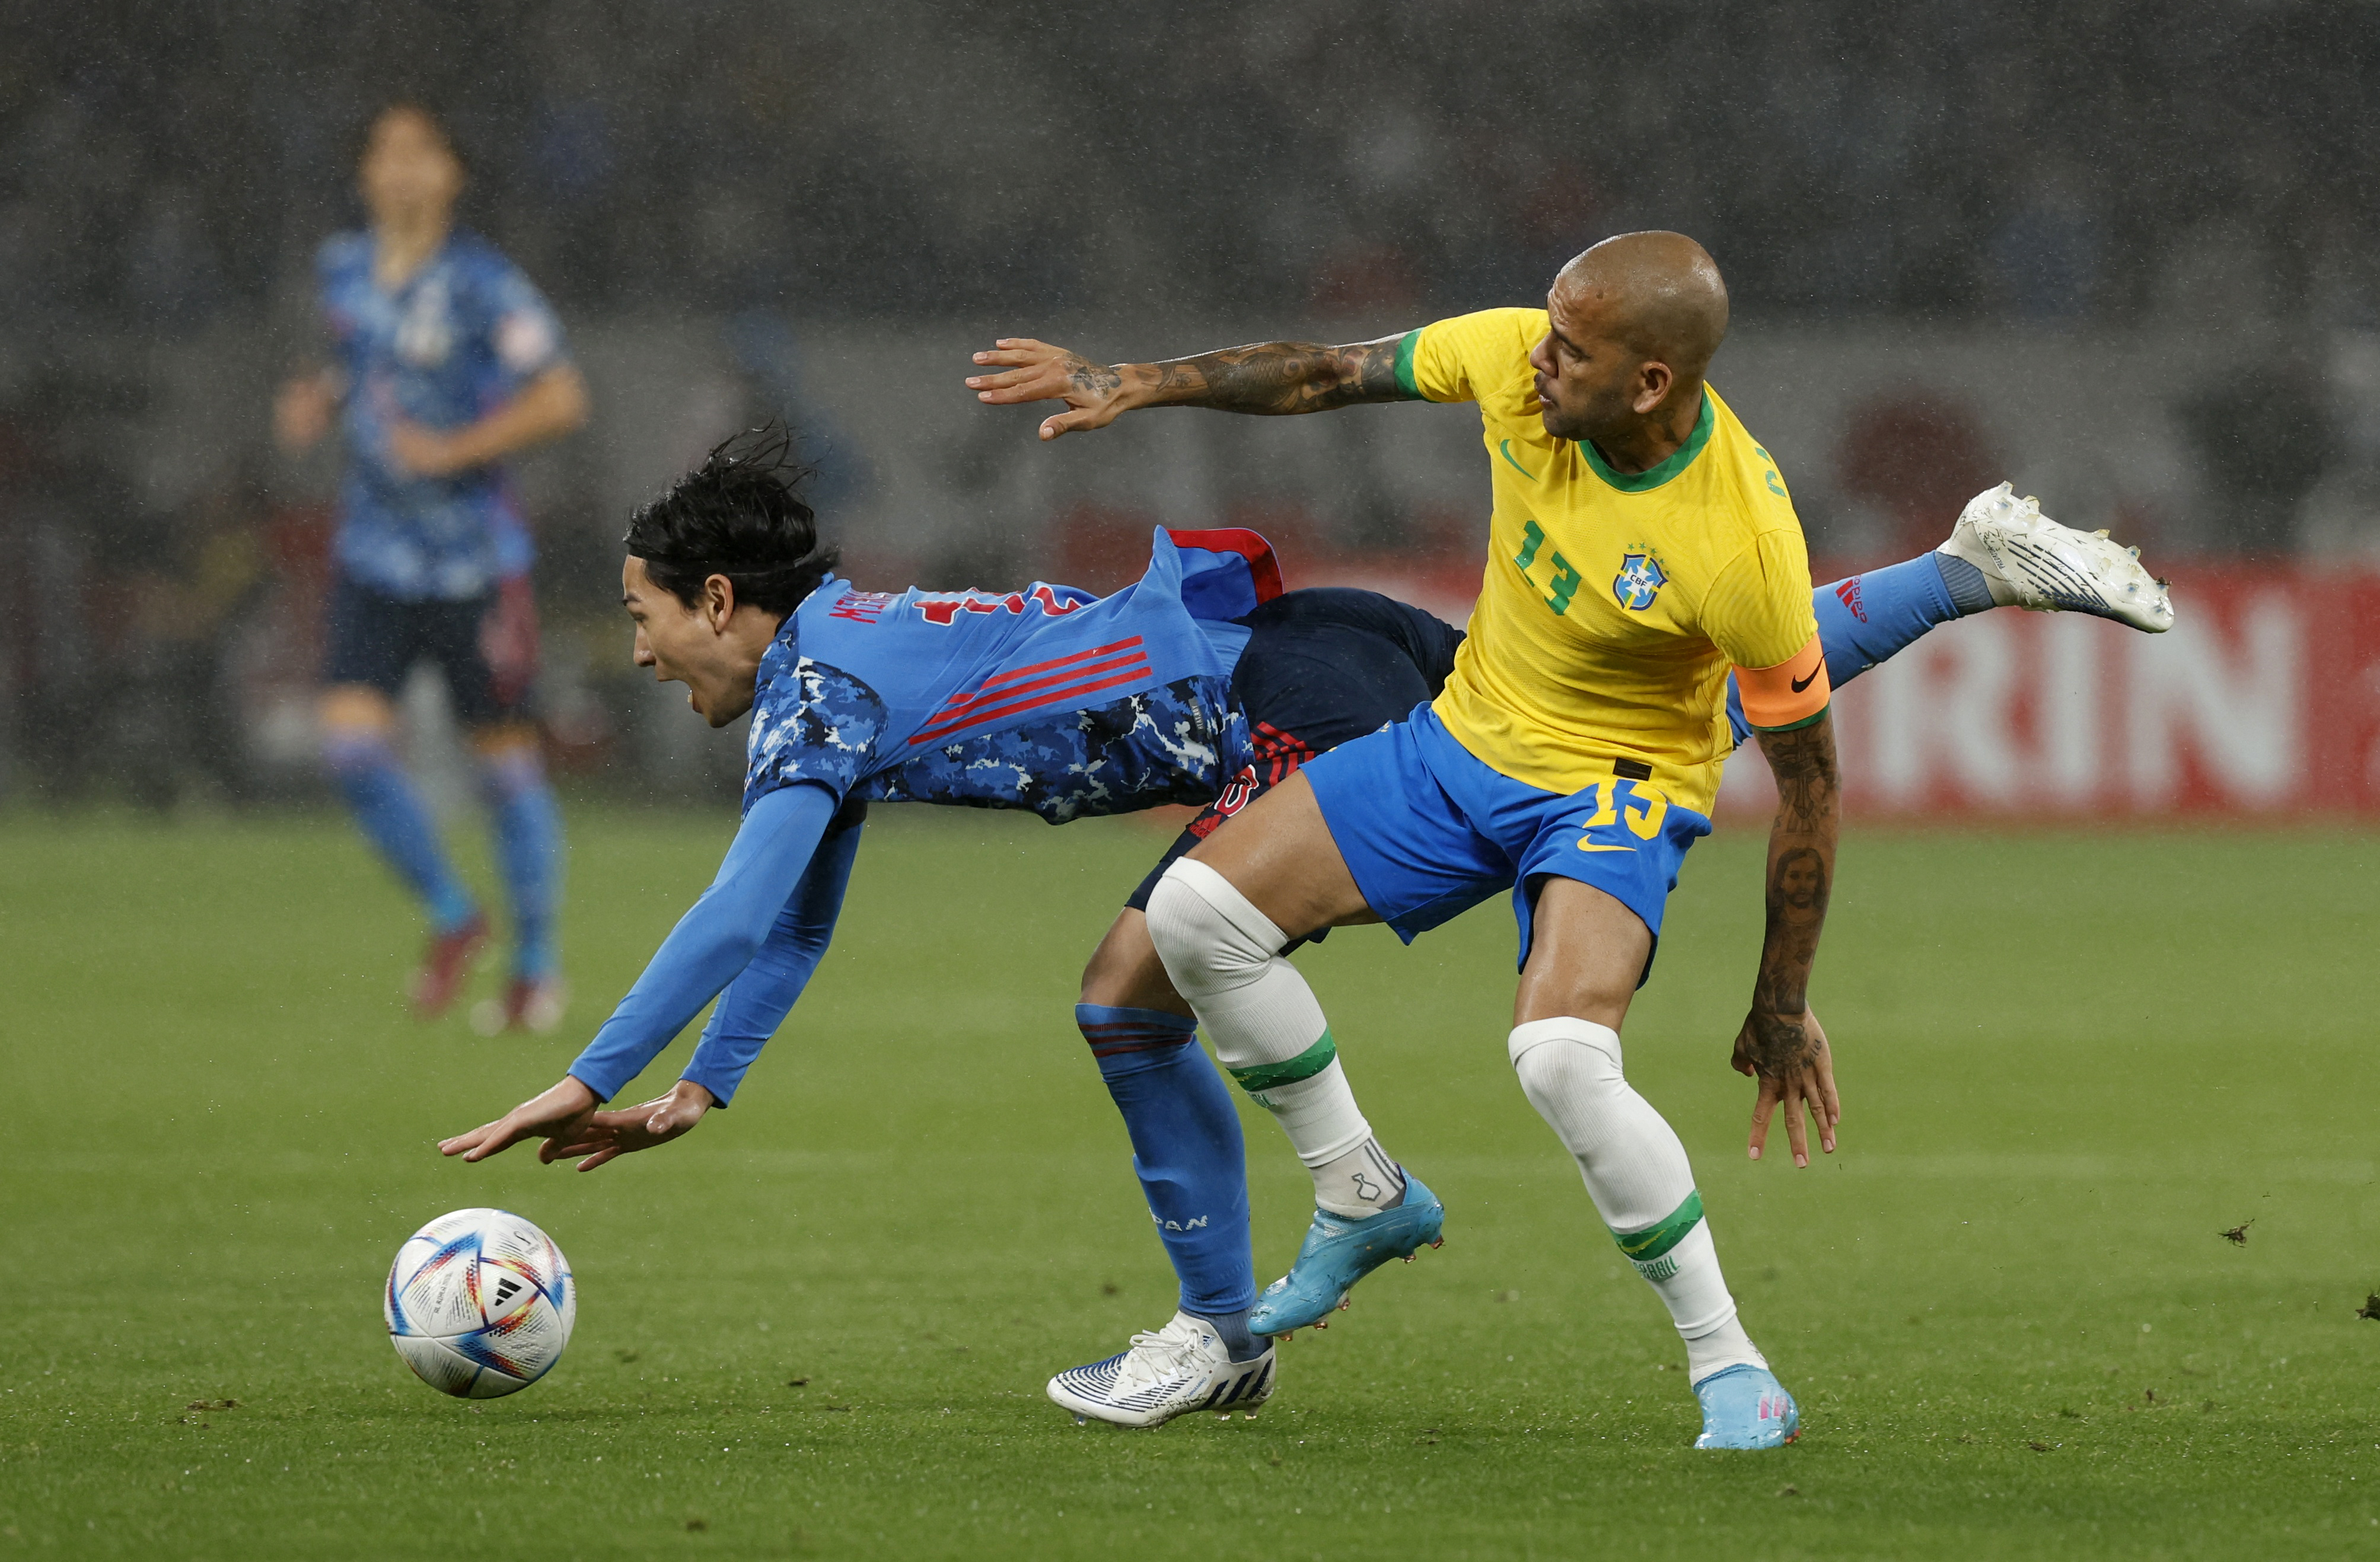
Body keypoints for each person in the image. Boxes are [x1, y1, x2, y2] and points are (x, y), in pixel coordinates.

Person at [439, 425, 2170, 1433]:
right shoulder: (833, 665)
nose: (639, 649)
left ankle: (1261, 1296)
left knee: (1135, 987)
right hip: (1306, 660)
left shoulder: (814, 689)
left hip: (1285, 696)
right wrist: (706, 1084)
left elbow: (741, 904)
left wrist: (584, 1072)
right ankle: (1958, 571)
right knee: (1642, 716)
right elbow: (796, 915)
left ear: (721, 602)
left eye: (645, 616)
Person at [962, 229, 2172, 1448]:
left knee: (1559, 1059)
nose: (1538, 359)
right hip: (1462, 740)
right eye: (1547, 331)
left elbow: (1809, 785)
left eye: (1572, 351)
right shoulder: (1517, 363)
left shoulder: (1740, 539)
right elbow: (1327, 372)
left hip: (1614, 787)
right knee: (1192, 917)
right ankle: (1361, 1192)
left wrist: (1780, 1001)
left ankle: (1729, 1362)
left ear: (1649, 383)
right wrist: (1135, 380)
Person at [274, 101, 590, 1032]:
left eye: (422, 152)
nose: (402, 168)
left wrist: (453, 450)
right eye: (386, 152)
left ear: (453, 173)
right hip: (372, 556)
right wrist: (318, 402)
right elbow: (357, 366)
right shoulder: (341, 269)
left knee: (505, 768)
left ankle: (534, 967)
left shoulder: (484, 285)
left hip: (473, 565)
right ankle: (455, 914)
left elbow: (562, 397)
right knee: (351, 749)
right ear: (365, 172)